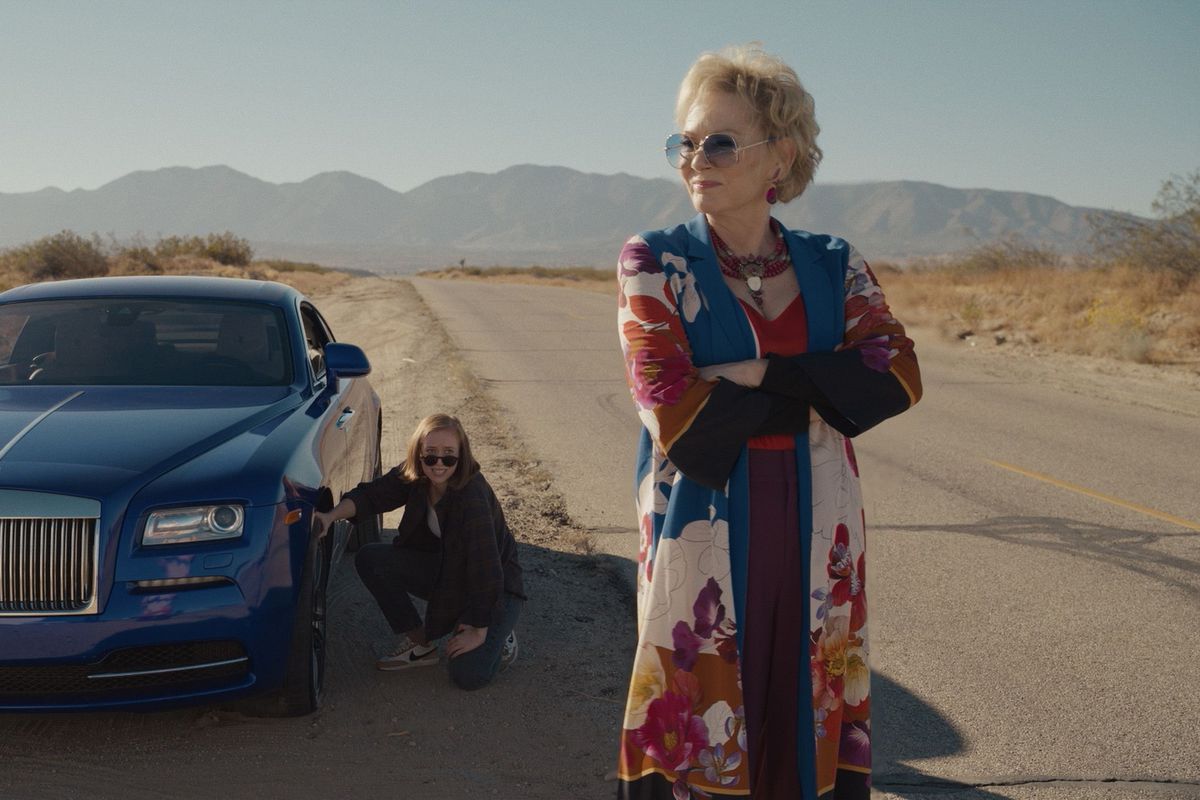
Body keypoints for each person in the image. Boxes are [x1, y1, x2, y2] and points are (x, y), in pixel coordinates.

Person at [615, 45, 922, 799]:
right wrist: (821, 388)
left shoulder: (832, 261)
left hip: (821, 525)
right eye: (683, 143)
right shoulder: (652, 261)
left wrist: (754, 373)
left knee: (803, 697)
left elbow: (899, 375)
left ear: (779, 154)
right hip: (703, 517)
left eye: (719, 141)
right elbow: (676, 411)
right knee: (706, 708)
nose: (695, 159)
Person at [313, 413, 525, 690]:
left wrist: (479, 628)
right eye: (431, 455)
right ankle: (420, 644)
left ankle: (502, 634)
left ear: (462, 456)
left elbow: (486, 568)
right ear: (419, 454)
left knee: (467, 676)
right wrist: (330, 517)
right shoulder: (417, 475)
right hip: (449, 572)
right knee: (372, 559)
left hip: (495, 586)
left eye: (449, 456)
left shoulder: (471, 498)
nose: (439, 464)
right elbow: (372, 496)